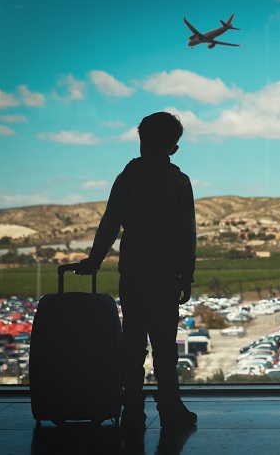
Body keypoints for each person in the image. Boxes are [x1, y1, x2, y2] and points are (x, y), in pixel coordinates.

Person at [78, 111, 198, 430]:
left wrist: (94, 261)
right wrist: (187, 274)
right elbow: (188, 234)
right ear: (173, 148)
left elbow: (109, 225)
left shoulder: (126, 178)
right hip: (166, 272)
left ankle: (132, 407)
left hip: (133, 270)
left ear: (141, 138)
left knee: (133, 342)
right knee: (164, 344)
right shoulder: (179, 182)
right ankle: (170, 405)